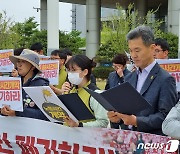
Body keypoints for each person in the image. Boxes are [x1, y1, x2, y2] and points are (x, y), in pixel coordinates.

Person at [108, 25, 178, 135]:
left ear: (152, 48)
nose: (133, 55)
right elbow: (126, 112)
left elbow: (166, 117)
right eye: (130, 51)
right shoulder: (129, 78)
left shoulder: (165, 79)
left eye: (137, 50)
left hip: (152, 143)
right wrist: (116, 118)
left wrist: (137, 121)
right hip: (127, 142)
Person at [1, 49, 49, 120]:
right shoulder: (14, 82)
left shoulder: (40, 84)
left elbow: (46, 114)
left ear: (32, 67)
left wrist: (18, 113)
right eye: (18, 61)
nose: (19, 65)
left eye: (23, 62)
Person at [61, 55, 108, 128]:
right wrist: (62, 94)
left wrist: (79, 125)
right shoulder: (70, 90)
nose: (70, 74)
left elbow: (103, 123)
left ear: (85, 72)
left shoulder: (95, 94)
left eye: (73, 70)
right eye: (68, 70)